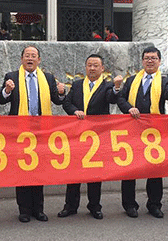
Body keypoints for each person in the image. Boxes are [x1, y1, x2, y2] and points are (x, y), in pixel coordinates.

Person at [0, 45, 66, 223]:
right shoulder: (12, 77)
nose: (30, 58)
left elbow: (57, 101)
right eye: (27, 55)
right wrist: (7, 91)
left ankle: (39, 209)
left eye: (33, 56)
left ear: (39, 60)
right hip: (20, 131)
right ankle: (24, 210)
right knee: (22, 170)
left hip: (41, 130)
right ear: (21, 59)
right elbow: (1, 100)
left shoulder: (48, 78)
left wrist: (61, 92)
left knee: (39, 170)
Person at [115, 46, 168, 219]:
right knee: (130, 168)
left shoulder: (165, 81)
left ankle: (154, 205)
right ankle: (129, 205)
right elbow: (121, 98)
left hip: (155, 132)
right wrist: (129, 108)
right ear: (142, 61)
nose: (150, 61)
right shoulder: (132, 80)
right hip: (133, 129)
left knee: (155, 169)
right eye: (147, 58)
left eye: (153, 58)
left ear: (159, 61)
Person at [58, 54, 122, 220]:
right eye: (89, 65)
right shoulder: (77, 84)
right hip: (77, 135)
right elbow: (67, 103)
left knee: (95, 174)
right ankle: (70, 206)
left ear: (102, 68)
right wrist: (74, 111)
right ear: (85, 67)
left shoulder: (107, 86)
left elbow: (111, 99)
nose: (92, 68)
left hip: (97, 137)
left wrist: (116, 88)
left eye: (96, 65)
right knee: (74, 173)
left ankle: (95, 206)